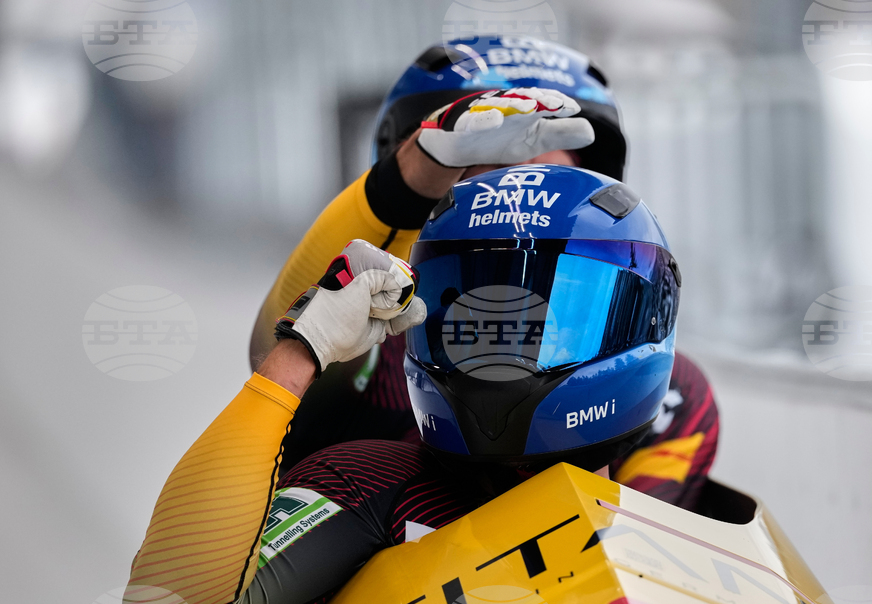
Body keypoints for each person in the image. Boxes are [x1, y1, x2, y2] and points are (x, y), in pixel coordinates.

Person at [127, 165, 681, 604]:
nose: (505, 351)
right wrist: (301, 350)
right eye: (475, 324)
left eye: (543, 324)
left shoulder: (679, 447)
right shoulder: (366, 483)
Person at [249, 35, 718, 508]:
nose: (522, 190)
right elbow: (273, 349)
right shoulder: (374, 356)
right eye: (496, 161)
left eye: (543, 159)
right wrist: (400, 183)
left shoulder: (674, 392)